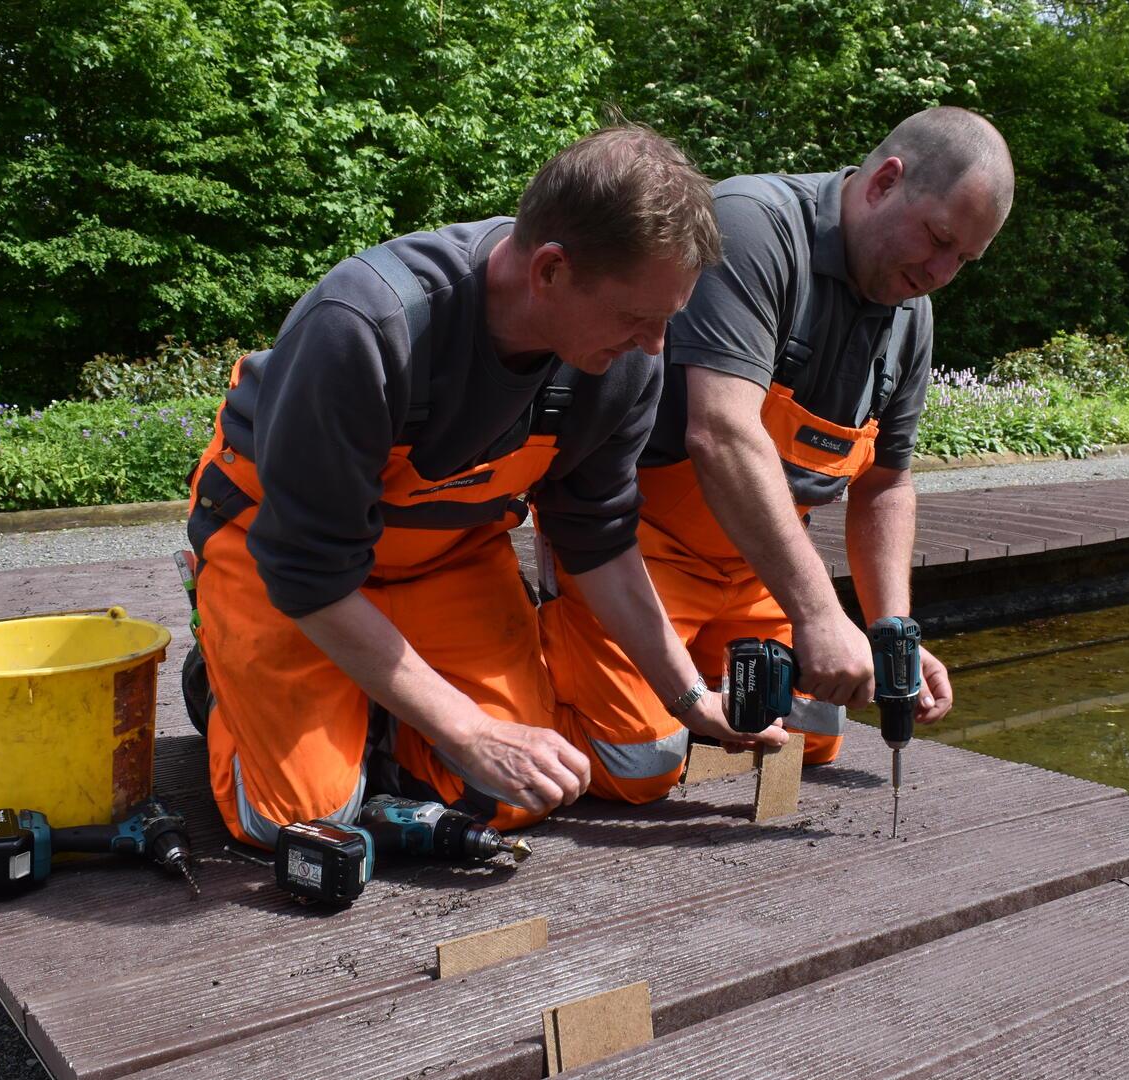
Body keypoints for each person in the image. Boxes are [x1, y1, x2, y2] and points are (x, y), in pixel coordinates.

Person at [182, 126, 789, 848]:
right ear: (551, 271)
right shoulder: (366, 326)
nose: (657, 345)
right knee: (296, 825)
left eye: (669, 318)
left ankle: (375, 711)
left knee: (514, 795)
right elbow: (309, 572)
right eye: (638, 317)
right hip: (283, 557)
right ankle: (215, 674)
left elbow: (596, 537)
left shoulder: (621, 361)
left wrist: (690, 697)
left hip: (446, 553)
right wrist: (468, 727)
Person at [539, 107, 1011, 795]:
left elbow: (885, 484)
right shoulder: (754, 226)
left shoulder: (913, 312)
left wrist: (890, 635)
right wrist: (820, 616)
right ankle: (542, 670)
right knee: (636, 765)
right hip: (643, 551)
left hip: (756, 562)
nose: (941, 272)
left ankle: (693, 694)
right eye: (937, 238)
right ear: (884, 182)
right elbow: (721, 431)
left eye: (962, 260)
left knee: (815, 732)